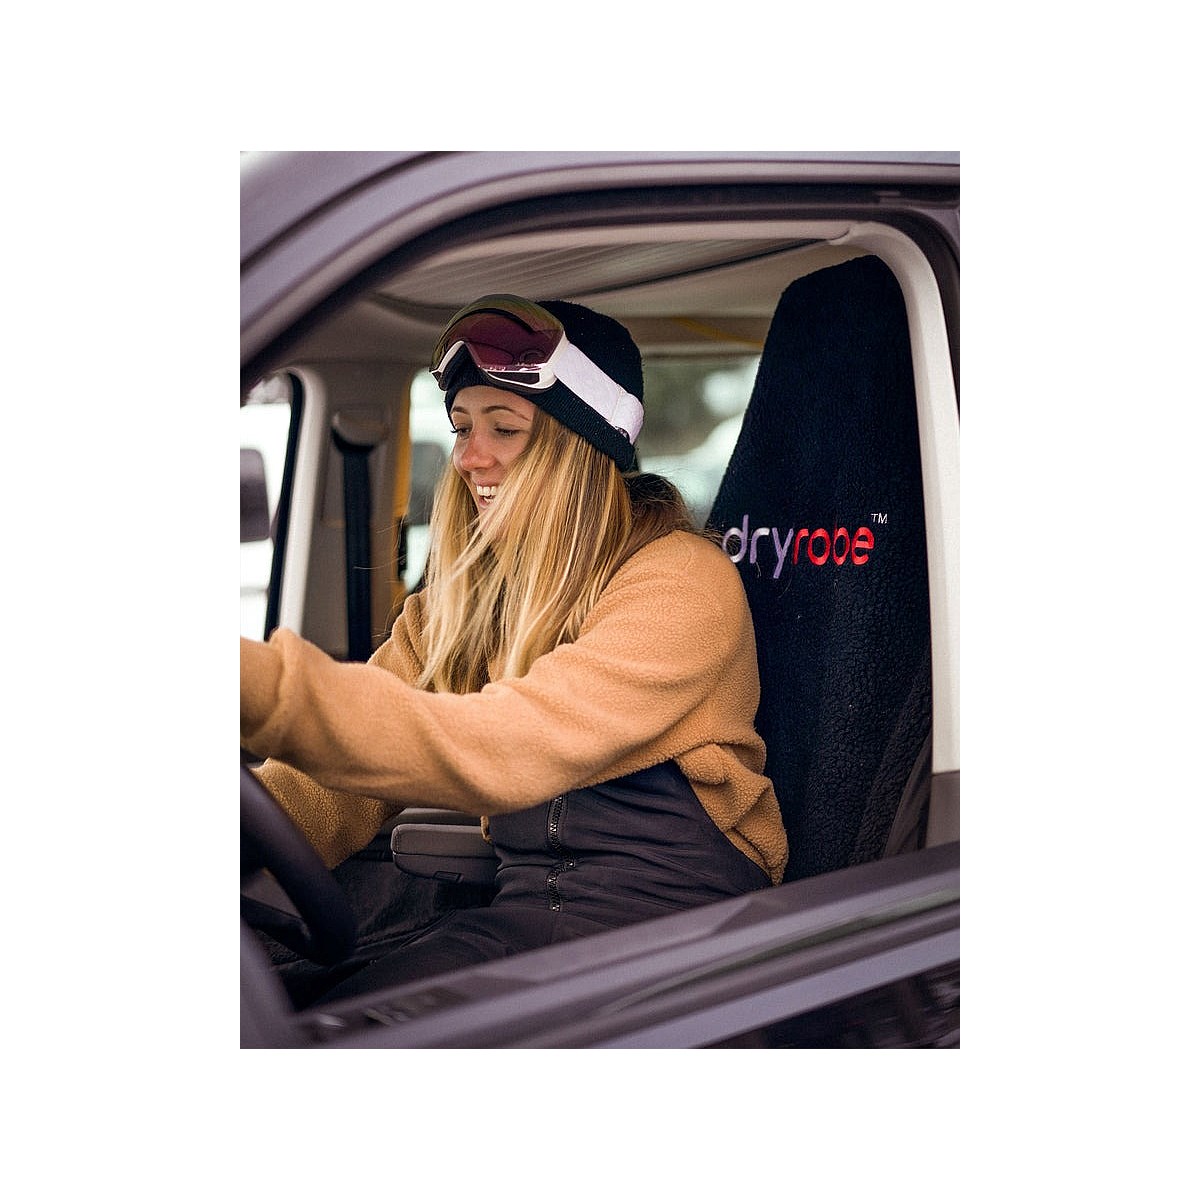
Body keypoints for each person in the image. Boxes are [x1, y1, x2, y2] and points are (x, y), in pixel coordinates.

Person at [241, 294, 788, 1000]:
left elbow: (507, 743)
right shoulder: (468, 602)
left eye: (505, 428)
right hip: (522, 923)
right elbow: (336, 788)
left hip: (679, 945)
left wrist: (258, 685)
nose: (469, 457)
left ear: (577, 449)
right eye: (462, 426)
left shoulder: (683, 581)